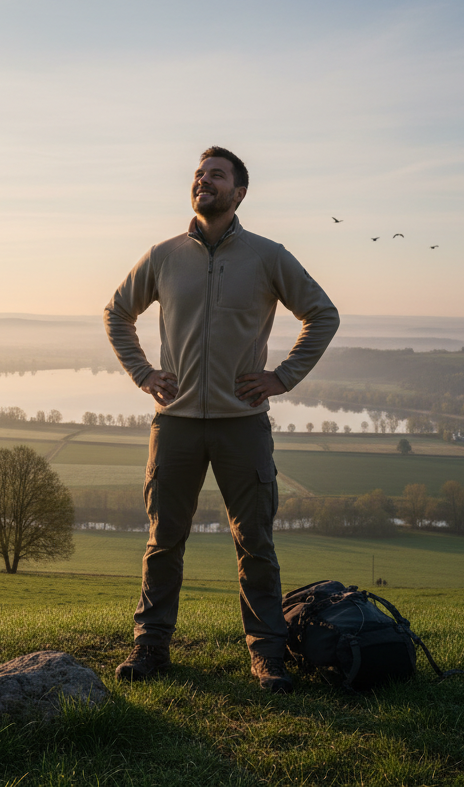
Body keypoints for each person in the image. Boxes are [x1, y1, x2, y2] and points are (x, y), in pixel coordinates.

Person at [104, 146, 339, 693]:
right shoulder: (163, 256)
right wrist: (143, 374)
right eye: (198, 175)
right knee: (164, 540)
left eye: (216, 175)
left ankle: (267, 658)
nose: (203, 181)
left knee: (255, 543)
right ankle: (150, 648)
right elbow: (118, 312)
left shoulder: (267, 255)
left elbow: (322, 314)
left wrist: (282, 377)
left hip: (243, 425)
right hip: (177, 424)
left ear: (239, 192)